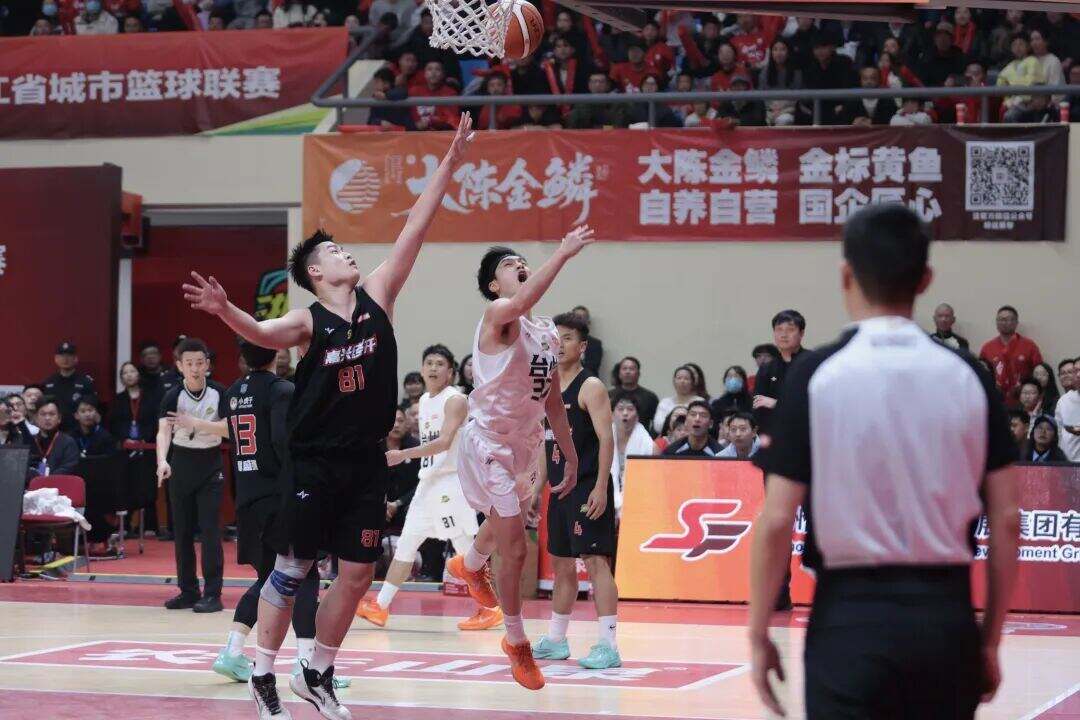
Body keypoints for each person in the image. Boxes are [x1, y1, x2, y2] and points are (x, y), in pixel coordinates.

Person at [182, 114, 475, 720]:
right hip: (314, 461)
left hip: (365, 460)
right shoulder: (307, 320)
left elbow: (416, 227)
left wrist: (449, 162)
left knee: (360, 573)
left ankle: (316, 670)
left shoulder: (379, 295)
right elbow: (260, 331)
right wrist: (224, 309)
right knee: (292, 568)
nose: (348, 253)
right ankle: (263, 673)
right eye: (335, 251)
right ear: (316, 272)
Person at [748, 202, 1018, 720]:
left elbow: (777, 518)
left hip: (849, 618)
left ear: (845, 275)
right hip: (944, 616)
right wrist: (988, 640)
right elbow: (1006, 518)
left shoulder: (814, 373)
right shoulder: (969, 374)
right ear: (926, 279)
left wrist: (759, 633)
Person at [448, 228, 595, 691]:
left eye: (521, 261)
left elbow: (553, 403)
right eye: (508, 265)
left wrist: (569, 455)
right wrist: (563, 254)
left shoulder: (546, 332)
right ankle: (517, 642)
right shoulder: (497, 314)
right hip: (488, 443)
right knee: (516, 545)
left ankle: (470, 563)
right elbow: (526, 297)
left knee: (503, 524)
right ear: (495, 285)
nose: (519, 265)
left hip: (525, 445)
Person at [172, 341, 348, 690]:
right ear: (275, 354)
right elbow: (284, 444)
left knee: (270, 578)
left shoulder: (233, 392)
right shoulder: (281, 390)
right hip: (278, 498)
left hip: (247, 497)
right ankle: (307, 667)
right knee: (304, 575)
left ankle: (233, 651)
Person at [356, 344, 503, 631]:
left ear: (450, 372)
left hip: (451, 481)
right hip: (429, 482)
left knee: (465, 547)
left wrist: (403, 454)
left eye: (439, 363)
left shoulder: (455, 400)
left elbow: (445, 442)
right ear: (422, 369)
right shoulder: (424, 400)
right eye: (429, 363)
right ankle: (380, 606)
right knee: (408, 541)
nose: (433, 368)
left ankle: (490, 608)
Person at [529, 313, 620, 669]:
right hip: (559, 489)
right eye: (557, 337)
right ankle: (556, 640)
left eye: (568, 338)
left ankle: (609, 645)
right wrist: (537, 488)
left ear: (582, 347)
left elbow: (607, 439)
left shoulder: (590, 386)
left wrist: (601, 487)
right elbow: (545, 442)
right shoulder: (547, 386)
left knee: (596, 563)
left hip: (586, 486)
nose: (561, 344)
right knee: (561, 565)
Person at [156, 338, 226, 614]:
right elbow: (163, 431)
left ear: (207, 364)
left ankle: (213, 594)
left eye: (199, 363)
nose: (195, 369)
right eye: (189, 364)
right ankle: (188, 590)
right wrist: (162, 460)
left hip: (210, 464)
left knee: (210, 532)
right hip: (181, 464)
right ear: (179, 366)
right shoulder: (172, 396)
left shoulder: (219, 392)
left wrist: (195, 423)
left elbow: (229, 429)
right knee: (182, 532)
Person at [753, 310, 806, 434]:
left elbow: (811, 405)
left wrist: (776, 404)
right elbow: (758, 406)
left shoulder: (812, 362)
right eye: (779, 330)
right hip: (773, 434)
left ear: (801, 333)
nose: (784, 335)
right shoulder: (766, 369)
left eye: (790, 330)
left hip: (804, 434)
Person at [979, 305, 1043, 402]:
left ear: (1016, 323)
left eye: (1009, 319)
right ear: (996, 323)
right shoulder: (987, 348)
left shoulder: (1029, 346)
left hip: (1024, 401)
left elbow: (1039, 374)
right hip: (996, 400)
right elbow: (981, 375)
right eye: (1001, 320)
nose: (1004, 323)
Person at [611, 394, 654, 521]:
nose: (625, 413)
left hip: (639, 502)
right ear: (612, 414)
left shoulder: (649, 445)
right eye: (620, 409)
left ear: (637, 416)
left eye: (630, 409)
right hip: (605, 500)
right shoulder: (602, 440)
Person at [41, 341, 97, 432]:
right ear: (56, 359)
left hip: (78, 431)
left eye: (69, 356)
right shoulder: (48, 383)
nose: (65, 359)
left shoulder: (85, 382)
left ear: (76, 359)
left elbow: (91, 408)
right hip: (54, 430)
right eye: (62, 356)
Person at [26, 400, 79, 481]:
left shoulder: (68, 442)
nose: (47, 418)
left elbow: (68, 468)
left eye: (52, 414)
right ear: (36, 418)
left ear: (59, 418)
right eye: (43, 414)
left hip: (58, 485)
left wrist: (46, 479)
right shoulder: (30, 441)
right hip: (32, 486)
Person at [608, 357, 659, 431]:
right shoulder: (609, 395)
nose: (627, 372)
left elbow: (656, 423)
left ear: (638, 374)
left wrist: (650, 436)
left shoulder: (650, 397)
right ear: (619, 374)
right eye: (624, 369)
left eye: (631, 369)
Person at [653, 366, 704, 436]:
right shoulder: (665, 402)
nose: (682, 381)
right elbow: (657, 427)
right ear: (674, 382)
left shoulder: (699, 401)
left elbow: (702, 424)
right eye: (679, 378)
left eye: (686, 378)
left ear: (692, 382)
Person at [1055, 363, 1080, 462]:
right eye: (1076, 371)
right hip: (1067, 462)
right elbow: (1058, 432)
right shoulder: (1064, 400)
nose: (1078, 375)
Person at [571, 305, 603, 376]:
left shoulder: (596, 344)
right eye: (577, 317)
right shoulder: (562, 342)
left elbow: (593, 367)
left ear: (588, 322)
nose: (580, 320)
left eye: (583, 317)